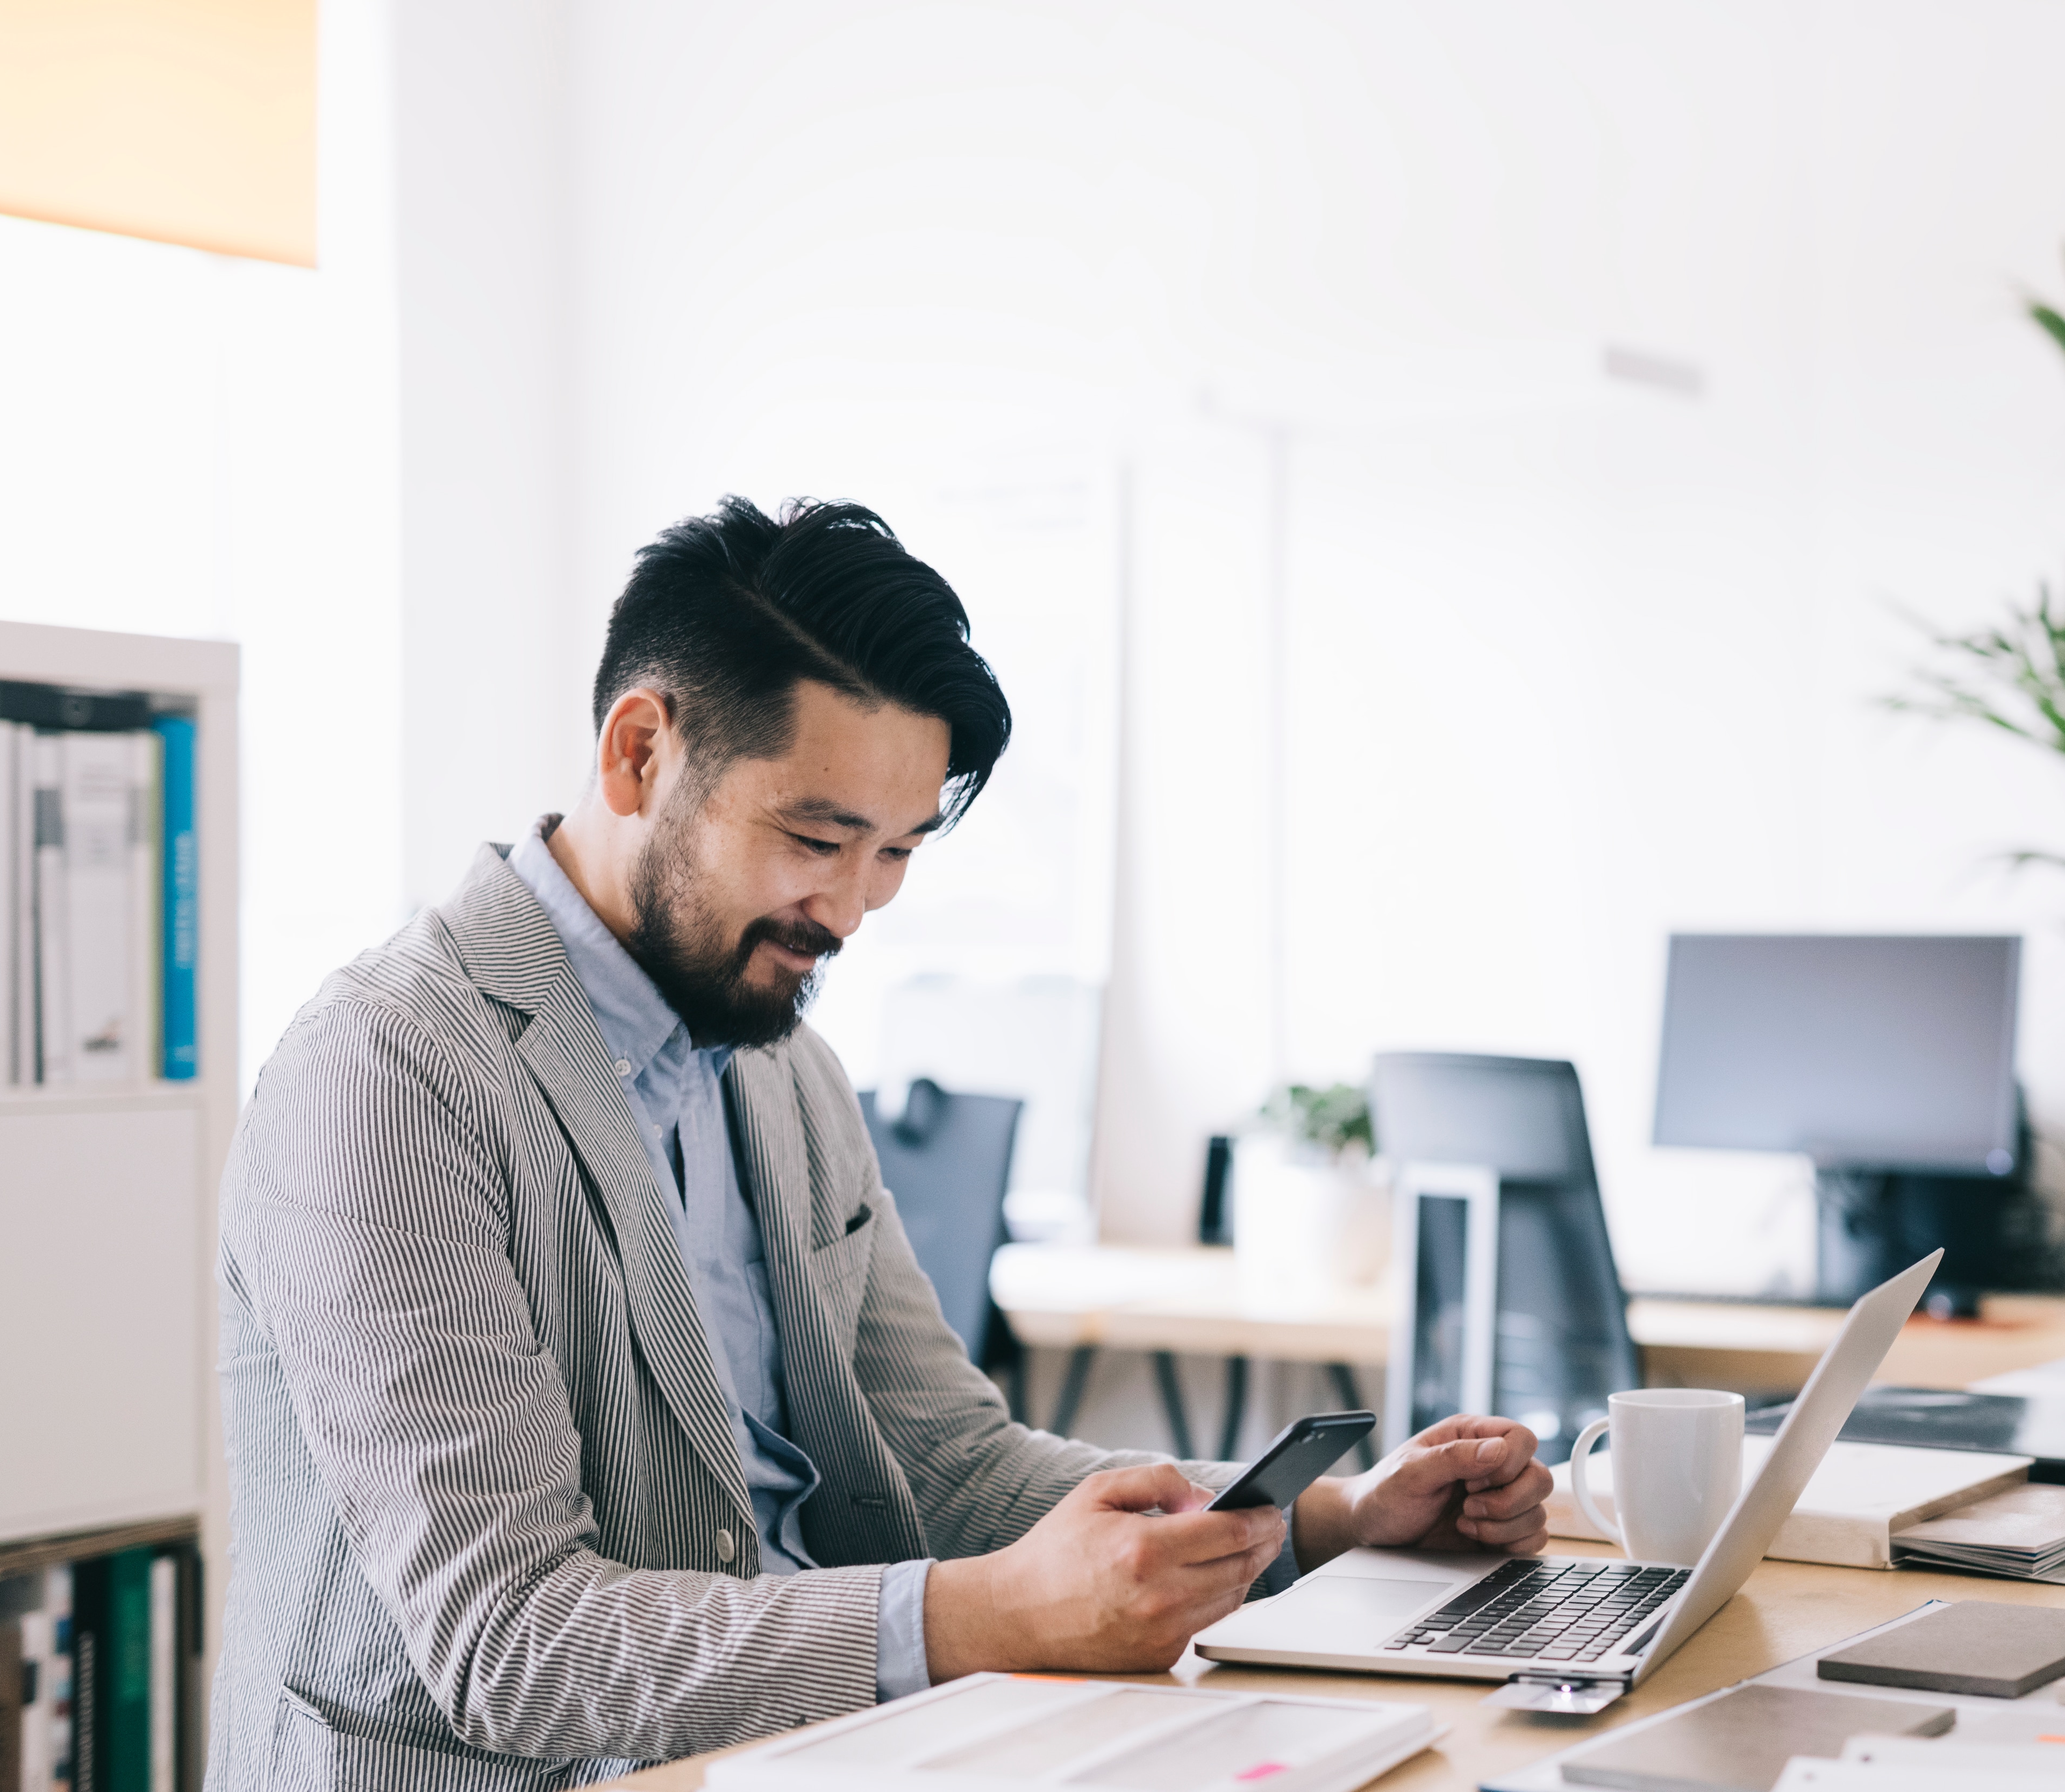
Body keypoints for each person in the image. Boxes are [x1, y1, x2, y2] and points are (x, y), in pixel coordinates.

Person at [208, 497, 1552, 1792]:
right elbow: (511, 1640)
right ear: (638, 753)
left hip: (822, 1756)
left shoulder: (784, 1066)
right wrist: (977, 1617)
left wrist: (1320, 1519)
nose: (849, 910)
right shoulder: (388, 1074)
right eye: (815, 837)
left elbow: (947, 1459)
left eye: (897, 851)